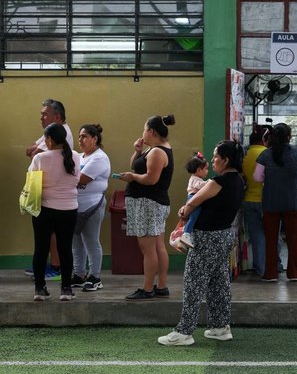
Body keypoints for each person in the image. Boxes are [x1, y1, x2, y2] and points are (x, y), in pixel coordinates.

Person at [158, 140, 246, 346]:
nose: (213, 159)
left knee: (193, 283)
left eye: (216, 156)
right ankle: (220, 327)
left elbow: (194, 201)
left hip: (206, 238)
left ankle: (184, 332)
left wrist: (184, 211)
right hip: (224, 236)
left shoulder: (218, 182)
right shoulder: (239, 181)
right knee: (219, 283)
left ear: (226, 160)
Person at [120, 114, 174, 300]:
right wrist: (137, 151)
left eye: (144, 129)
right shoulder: (154, 149)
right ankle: (161, 286)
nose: (142, 133)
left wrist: (132, 177)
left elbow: (151, 179)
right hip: (151, 203)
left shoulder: (158, 152)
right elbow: (138, 166)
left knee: (147, 248)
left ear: (151, 131)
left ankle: (148, 288)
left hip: (148, 203)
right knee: (158, 246)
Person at [28, 123, 80, 301]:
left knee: (41, 249)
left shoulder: (40, 158)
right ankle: (66, 289)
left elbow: (31, 181)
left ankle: (39, 289)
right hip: (69, 209)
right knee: (65, 249)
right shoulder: (75, 156)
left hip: (44, 210)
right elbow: (77, 179)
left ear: (49, 139)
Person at [24, 99, 73, 281]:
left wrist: (36, 151)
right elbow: (29, 150)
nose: (41, 118)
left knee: (52, 235)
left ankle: (56, 267)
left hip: (55, 197)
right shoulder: (51, 133)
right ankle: (54, 267)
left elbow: (35, 154)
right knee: (52, 236)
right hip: (55, 197)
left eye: (45, 114)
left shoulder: (62, 133)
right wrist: (36, 150)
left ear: (57, 117)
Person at [254, 123, 297, 282]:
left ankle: (270, 274)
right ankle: (293, 274)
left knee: (270, 240)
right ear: (289, 136)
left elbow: (257, 178)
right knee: (294, 240)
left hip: (271, 203)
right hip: (293, 203)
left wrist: (270, 178)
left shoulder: (265, 155)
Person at [71, 124, 110, 292]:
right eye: (79, 136)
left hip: (92, 205)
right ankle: (79, 274)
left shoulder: (99, 158)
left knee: (91, 241)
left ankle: (95, 277)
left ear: (95, 139)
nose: (81, 140)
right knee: (76, 242)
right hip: (76, 205)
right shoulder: (79, 157)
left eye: (85, 136)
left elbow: (81, 179)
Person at [242, 125, 271, 276]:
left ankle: (261, 269)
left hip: (248, 200)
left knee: (256, 237)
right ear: (264, 139)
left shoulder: (244, 154)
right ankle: (275, 266)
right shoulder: (267, 154)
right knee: (273, 235)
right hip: (267, 200)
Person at [171, 152, 209, 252]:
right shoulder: (194, 179)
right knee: (193, 217)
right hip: (193, 198)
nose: (207, 171)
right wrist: (210, 183)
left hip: (194, 198)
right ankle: (186, 234)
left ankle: (185, 238)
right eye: (206, 169)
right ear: (199, 170)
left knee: (194, 217)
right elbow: (201, 186)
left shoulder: (196, 178)